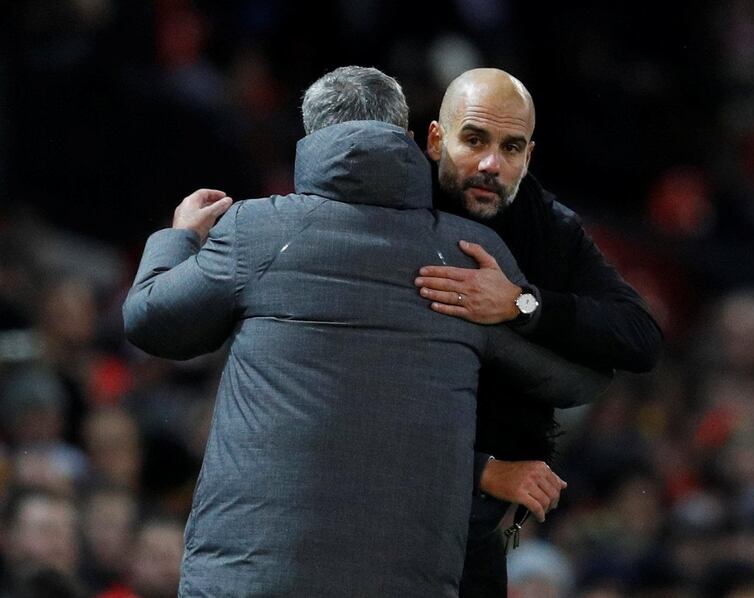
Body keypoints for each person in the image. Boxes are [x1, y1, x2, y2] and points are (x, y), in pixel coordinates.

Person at [122, 66, 610, 597]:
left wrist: (179, 238)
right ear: (408, 136)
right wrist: (519, 305)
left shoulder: (256, 230)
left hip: (251, 577)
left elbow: (151, 323)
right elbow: (573, 380)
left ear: (311, 138)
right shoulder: (468, 254)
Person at [416, 68, 663, 596]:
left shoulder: (548, 225)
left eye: (511, 148)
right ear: (436, 140)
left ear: (529, 156)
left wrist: (521, 304)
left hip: (475, 522)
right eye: (475, 140)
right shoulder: (388, 209)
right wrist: (484, 469)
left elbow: (641, 336)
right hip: (379, 509)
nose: (491, 165)